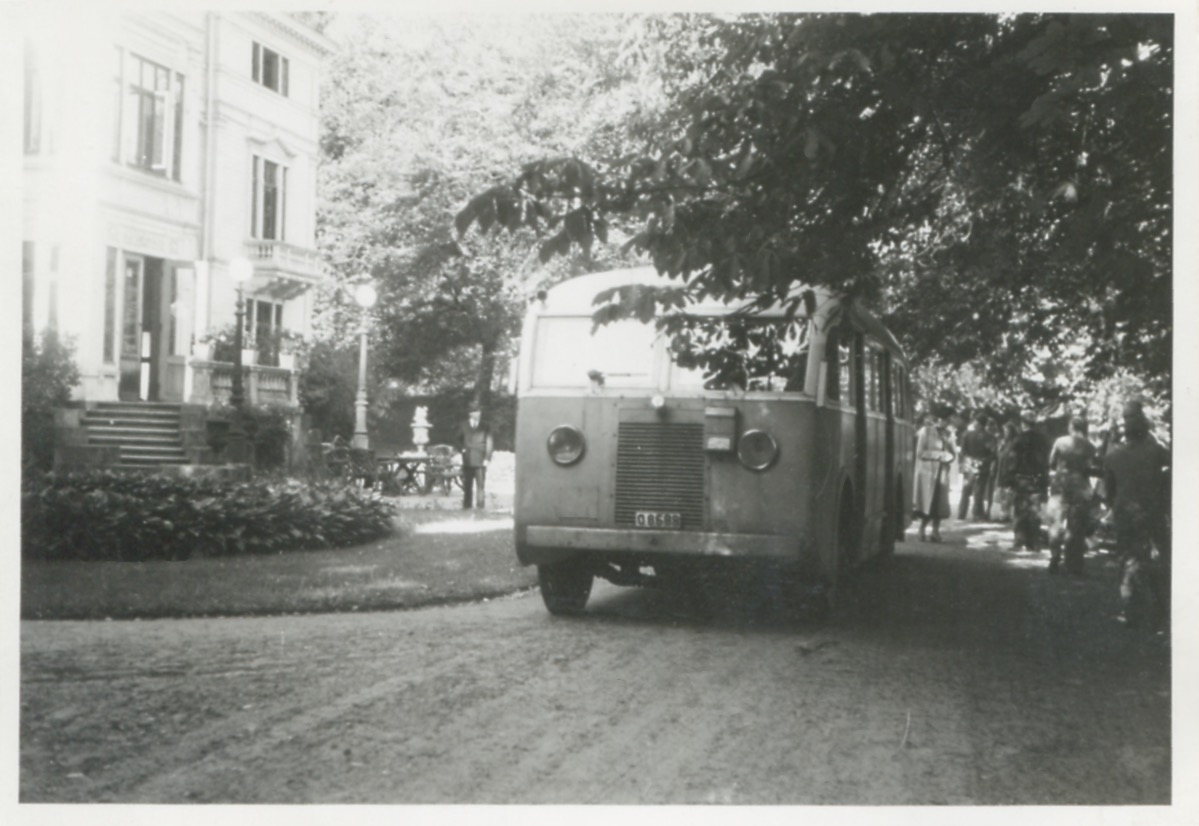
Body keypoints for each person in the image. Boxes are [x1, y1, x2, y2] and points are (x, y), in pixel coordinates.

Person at [1103, 400, 1170, 630]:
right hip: (1153, 515)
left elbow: (1108, 493)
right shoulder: (1158, 451)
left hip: (1125, 516)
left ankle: (1132, 612)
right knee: (1158, 561)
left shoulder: (1113, 456)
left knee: (1129, 561)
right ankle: (1161, 611)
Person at [1044, 417, 1097, 576]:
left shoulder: (1060, 442)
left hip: (1060, 486)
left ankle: (1054, 557)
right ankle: (1073, 565)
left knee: (1055, 523)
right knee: (1076, 527)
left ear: (1071, 427)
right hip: (1080, 488)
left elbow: (1051, 463)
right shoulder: (1090, 446)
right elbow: (1091, 467)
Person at [1005, 410, 1049, 551]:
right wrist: (1045, 481)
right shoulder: (1043, 440)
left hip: (1021, 479)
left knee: (1020, 510)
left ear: (1023, 423)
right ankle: (1034, 543)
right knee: (1035, 511)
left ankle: (1019, 541)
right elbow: (1046, 462)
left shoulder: (1018, 440)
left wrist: (1009, 480)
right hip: (1037, 479)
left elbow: (1012, 460)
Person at [912, 410, 955, 542]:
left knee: (939, 503)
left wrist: (950, 456)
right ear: (938, 419)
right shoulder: (925, 431)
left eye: (948, 420)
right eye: (945, 420)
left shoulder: (948, 434)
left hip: (942, 472)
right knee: (927, 503)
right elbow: (920, 453)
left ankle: (935, 531)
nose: (947, 423)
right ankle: (922, 529)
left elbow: (953, 452)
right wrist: (940, 455)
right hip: (928, 472)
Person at [958, 413, 996, 521]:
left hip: (969, 464)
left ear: (978, 423)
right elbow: (993, 454)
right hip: (982, 465)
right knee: (979, 491)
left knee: (965, 490)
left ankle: (961, 513)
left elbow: (962, 451)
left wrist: (966, 461)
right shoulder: (990, 437)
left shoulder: (966, 434)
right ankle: (977, 513)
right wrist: (984, 460)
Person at [457, 406, 494, 510]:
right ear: (470, 414)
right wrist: (462, 449)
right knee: (467, 485)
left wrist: (487, 458)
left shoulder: (485, 426)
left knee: (480, 485)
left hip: (481, 460)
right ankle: (467, 506)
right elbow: (457, 439)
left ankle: (480, 506)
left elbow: (489, 442)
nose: (478, 414)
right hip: (468, 460)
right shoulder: (463, 425)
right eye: (476, 412)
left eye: (479, 412)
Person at [994, 421, 1019, 521]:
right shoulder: (1003, 442)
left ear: (1011, 431)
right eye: (1004, 430)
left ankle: (1006, 513)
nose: (1005, 432)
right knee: (1003, 492)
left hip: (1010, 469)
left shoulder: (1015, 442)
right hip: (1002, 469)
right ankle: (1003, 513)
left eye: (1006, 430)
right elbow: (998, 454)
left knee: (1009, 491)